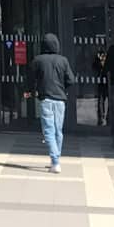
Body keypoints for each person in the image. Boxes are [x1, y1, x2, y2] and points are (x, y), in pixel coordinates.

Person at [24, 33, 77, 173]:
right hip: (60, 100)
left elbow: (30, 79)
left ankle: (55, 161)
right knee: (58, 131)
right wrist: (62, 89)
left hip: (46, 99)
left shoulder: (37, 60)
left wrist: (30, 91)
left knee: (48, 131)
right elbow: (71, 80)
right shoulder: (63, 60)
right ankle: (56, 159)